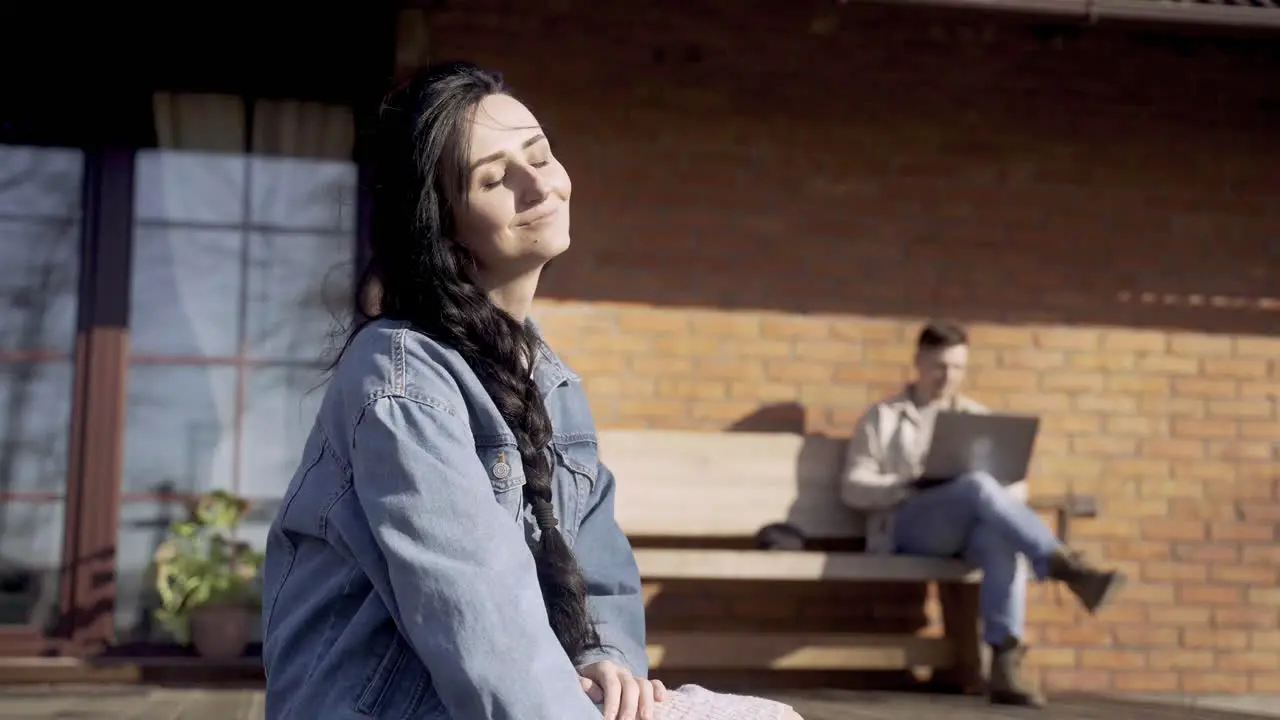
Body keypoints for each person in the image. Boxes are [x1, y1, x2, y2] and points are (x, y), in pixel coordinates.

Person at [259, 61, 802, 720]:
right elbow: (477, 620)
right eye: (494, 177)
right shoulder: (400, 378)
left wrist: (603, 659)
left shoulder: (551, 381)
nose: (536, 182)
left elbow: (596, 566)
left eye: (540, 154)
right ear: (445, 227)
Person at [840, 321, 1126, 709]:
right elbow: (853, 486)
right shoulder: (884, 416)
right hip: (909, 524)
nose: (948, 377)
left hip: (967, 528)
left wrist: (995, 492)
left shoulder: (977, 418)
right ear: (919, 362)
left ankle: (1005, 664)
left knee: (1000, 540)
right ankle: (1065, 566)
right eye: (940, 366)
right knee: (976, 484)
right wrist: (908, 482)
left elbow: (1016, 490)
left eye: (957, 368)